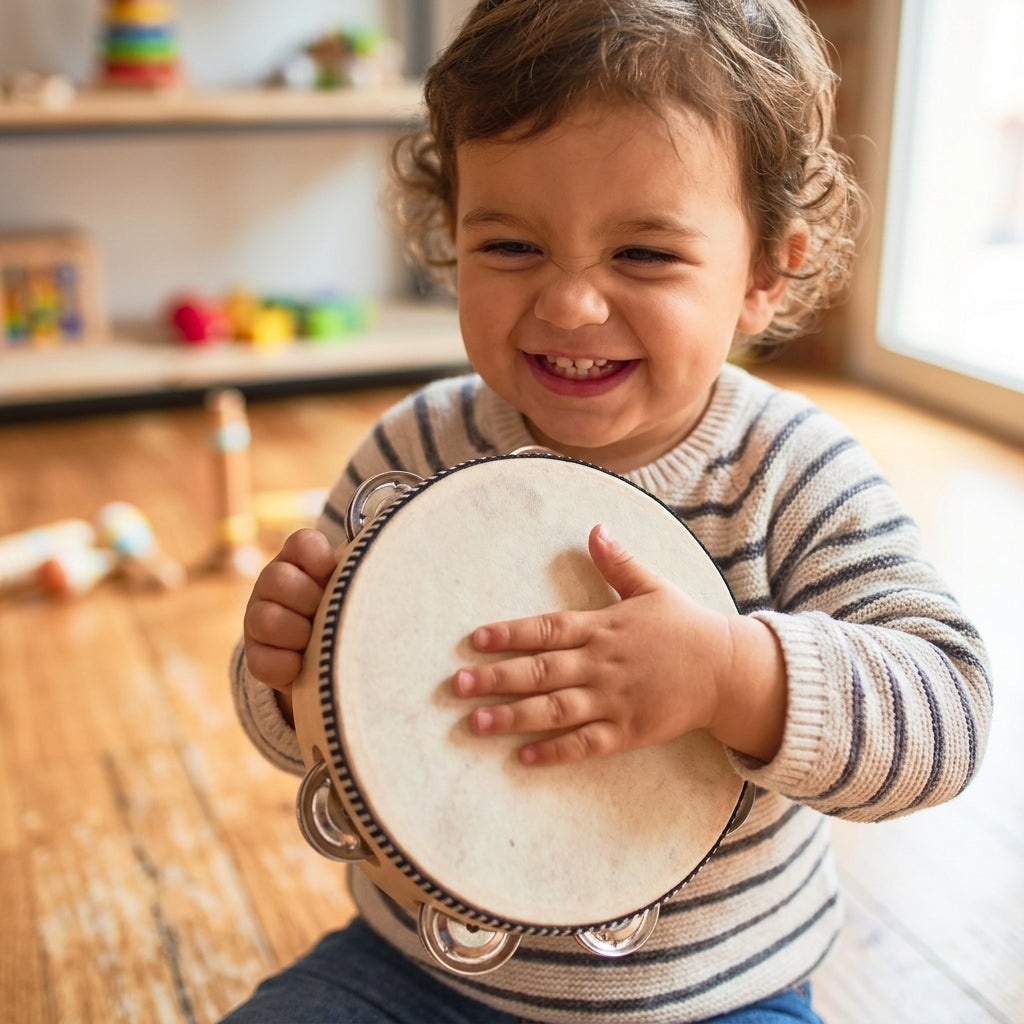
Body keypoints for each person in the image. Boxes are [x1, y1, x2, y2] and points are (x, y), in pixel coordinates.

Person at [224, 1, 993, 1021]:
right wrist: (283, 672)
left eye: (642, 255)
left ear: (765, 270)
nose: (570, 303)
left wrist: (732, 675)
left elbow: (947, 715)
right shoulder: (413, 448)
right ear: (450, 234)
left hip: (709, 996)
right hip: (413, 973)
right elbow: (324, 735)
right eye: (509, 246)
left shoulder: (791, 474)